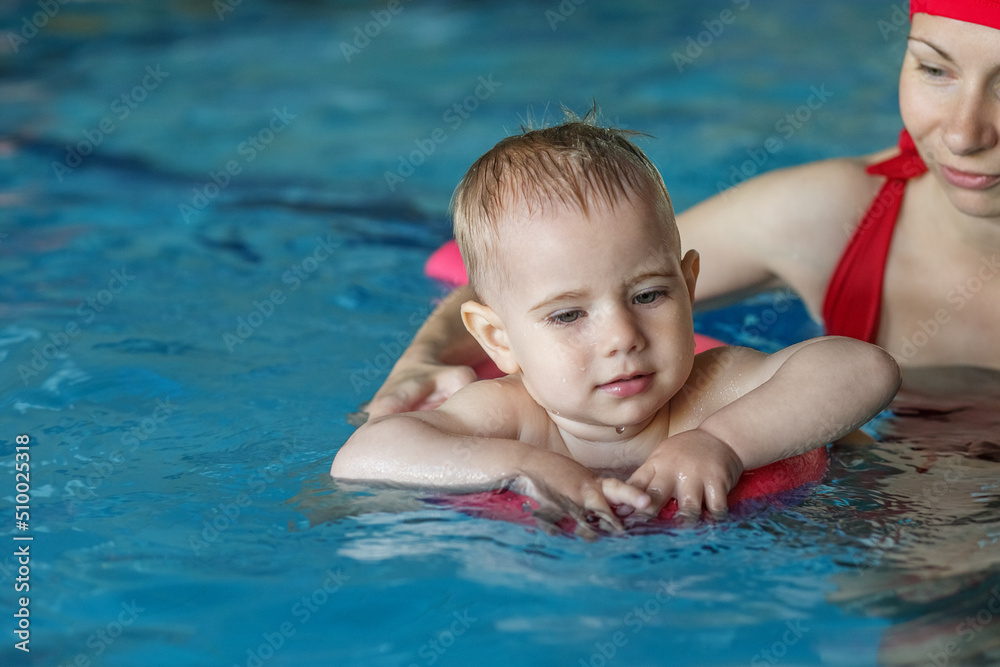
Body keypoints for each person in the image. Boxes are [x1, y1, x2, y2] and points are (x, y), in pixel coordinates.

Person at [363, 0, 1000, 421]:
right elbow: (544, 278)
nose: (967, 133)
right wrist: (421, 362)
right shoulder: (833, 214)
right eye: (934, 69)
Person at [331, 119, 901, 532]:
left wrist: (721, 442)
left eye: (649, 294)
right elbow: (364, 455)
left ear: (689, 287)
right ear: (500, 340)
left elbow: (865, 367)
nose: (622, 336)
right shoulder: (513, 420)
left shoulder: (714, 391)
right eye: (568, 314)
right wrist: (520, 465)